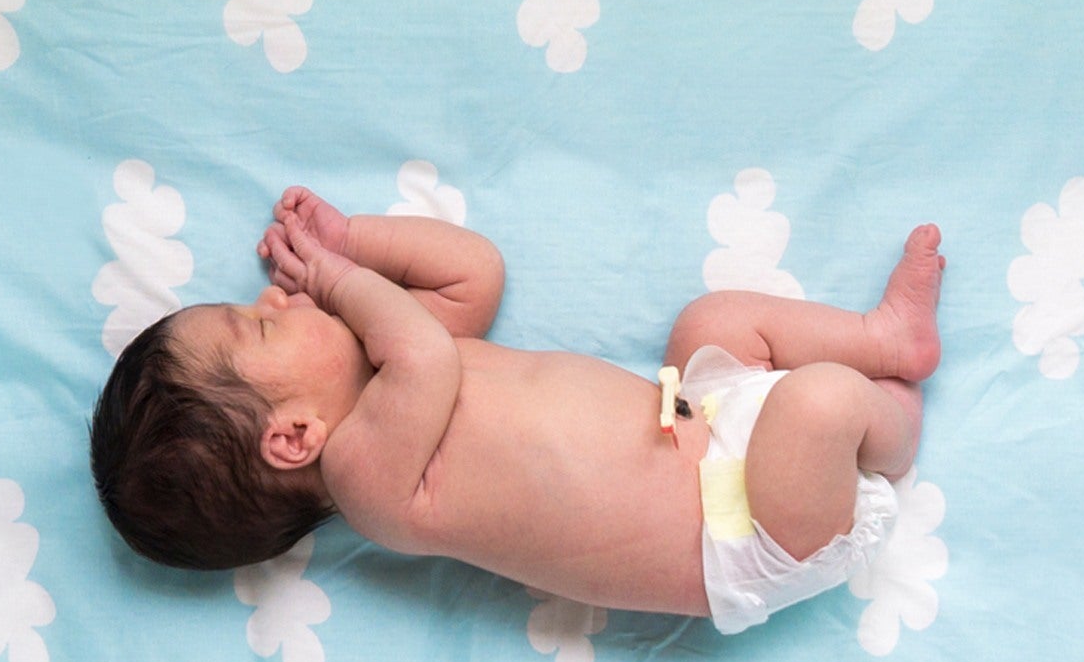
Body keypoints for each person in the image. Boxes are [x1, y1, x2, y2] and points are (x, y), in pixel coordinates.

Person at [90, 187, 943, 634]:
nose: (273, 301)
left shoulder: (401, 359)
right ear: (293, 437)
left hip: (708, 423)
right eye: (254, 326)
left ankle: (885, 341)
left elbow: (473, 272)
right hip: (746, 532)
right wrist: (334, 281)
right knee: (819, 403)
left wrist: (353, 242)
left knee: (710, 324)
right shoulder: (370, 479)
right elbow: (420, 354)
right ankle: (891, 441)